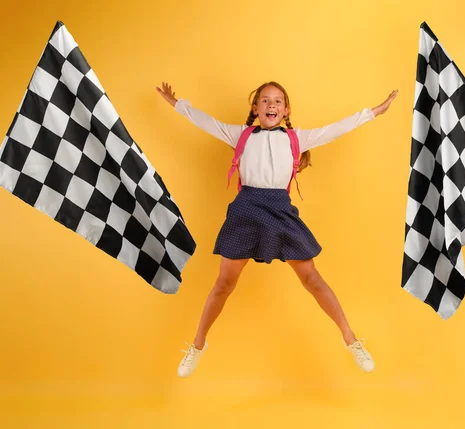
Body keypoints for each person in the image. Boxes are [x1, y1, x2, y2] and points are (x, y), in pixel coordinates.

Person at [156, 81, 398, 377]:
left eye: (277, 101)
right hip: (245, 209)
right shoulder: (240, 135)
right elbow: (205, 121)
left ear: (285, 111)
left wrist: (375, 112)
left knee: (312, 278)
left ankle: (350, 339)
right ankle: (197, 345)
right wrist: (176, 103)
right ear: (255, 108)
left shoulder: (297, 138)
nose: (271, 105)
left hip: (280, 209)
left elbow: (337, 128)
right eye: (265, 100)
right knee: (223, 285)